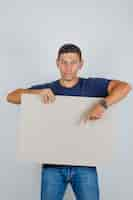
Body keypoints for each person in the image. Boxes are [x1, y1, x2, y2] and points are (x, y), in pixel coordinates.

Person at [6, 43, 132, 200]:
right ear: (57, 63)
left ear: (81, 64)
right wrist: (37, 92)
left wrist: (103, 104)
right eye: (64, 62)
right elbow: (11, 96)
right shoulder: (47, 89)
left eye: (73, 62)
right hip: (52, 167)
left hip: (85, 165)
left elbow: (125, 87)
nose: (68, 67)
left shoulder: (92, 85)